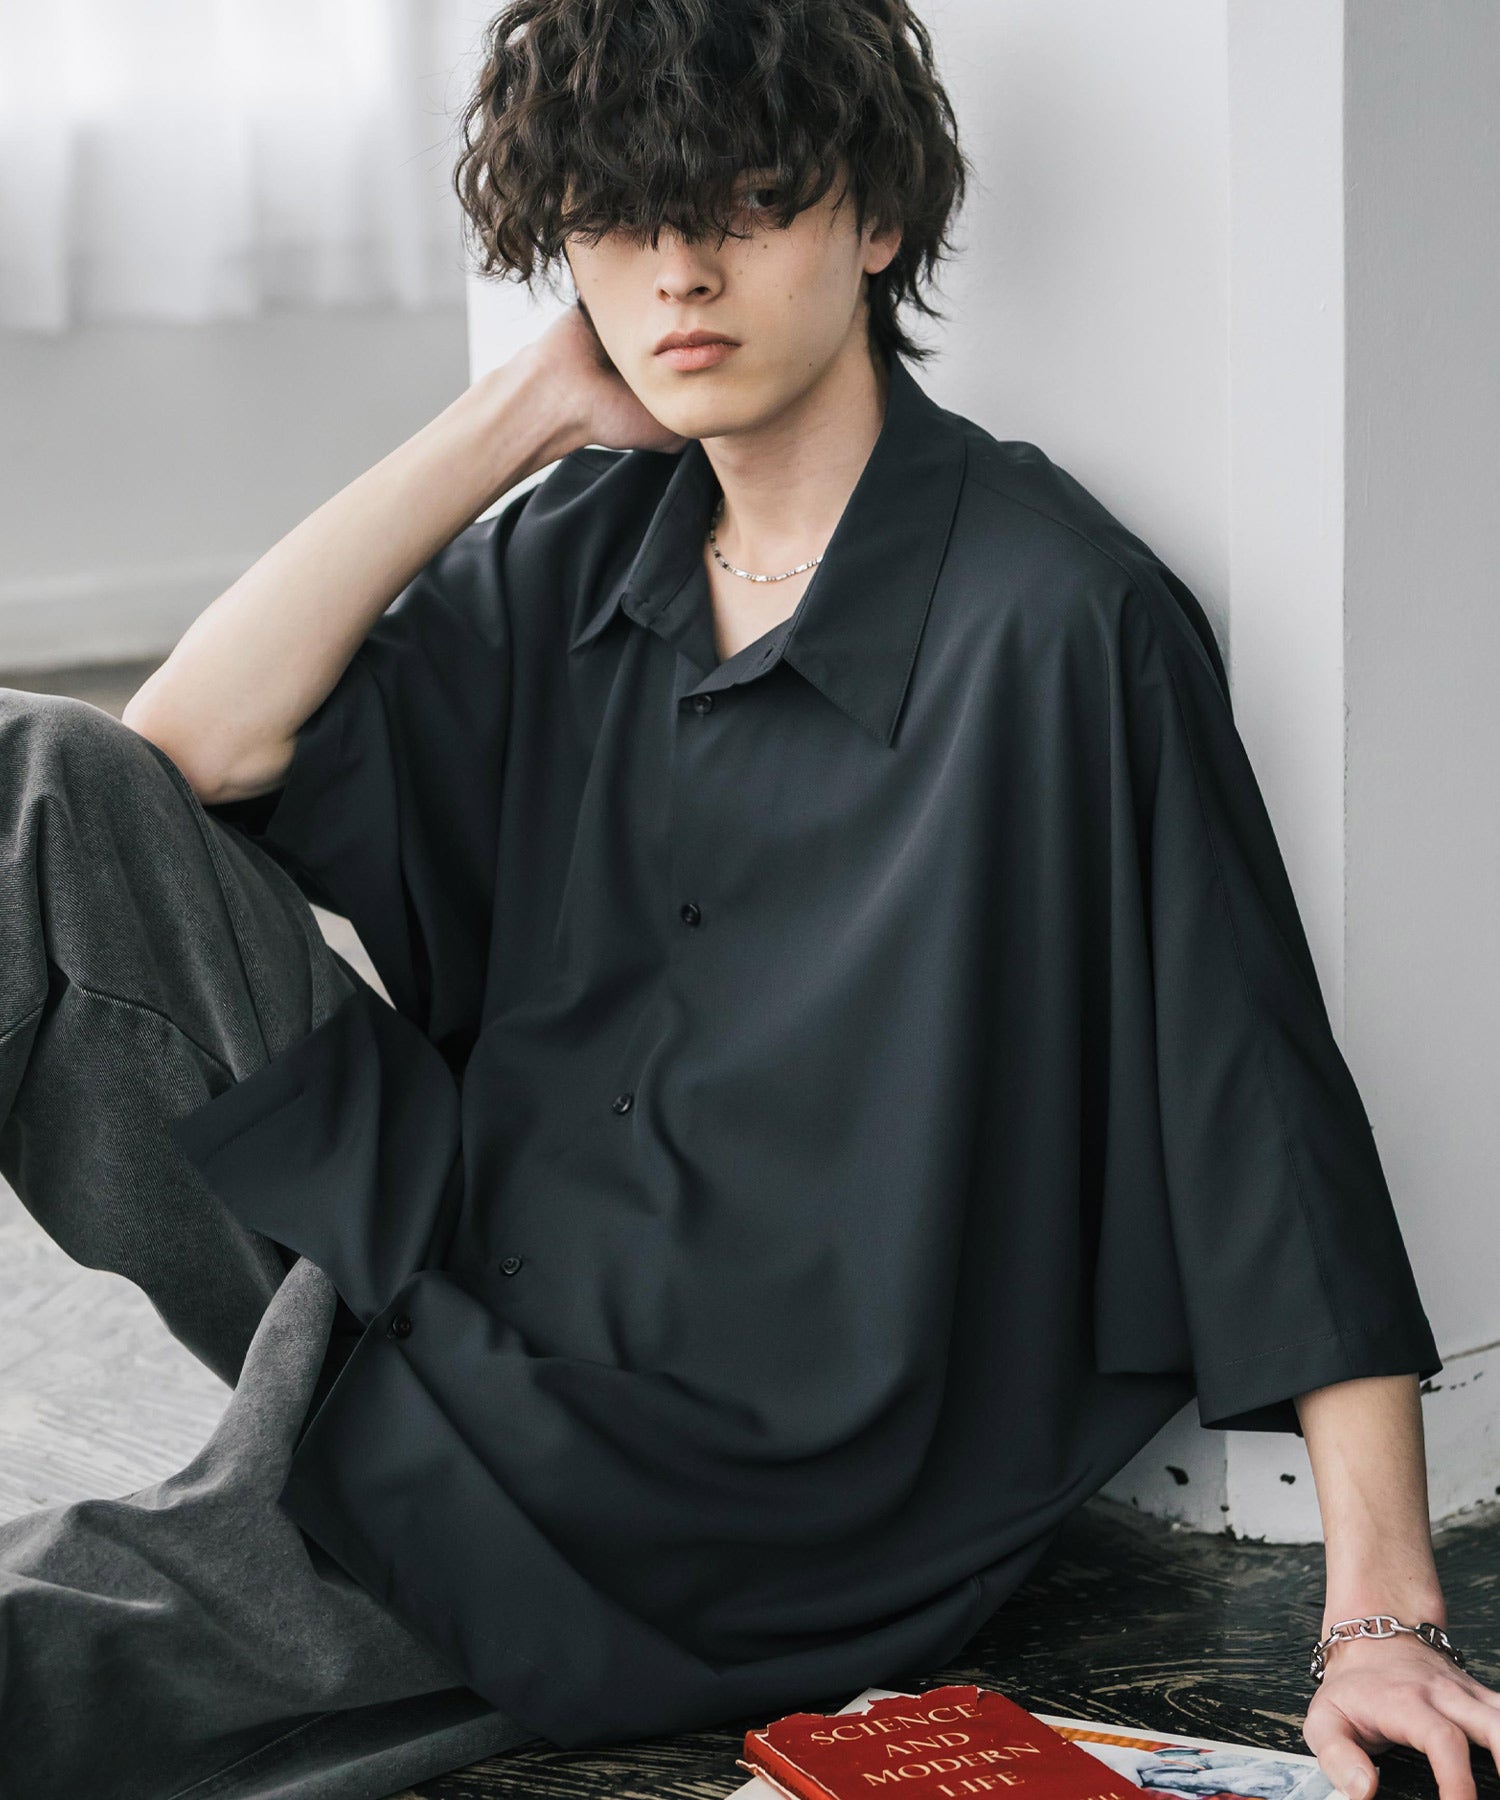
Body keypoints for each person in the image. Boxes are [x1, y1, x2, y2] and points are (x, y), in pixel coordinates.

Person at [0, 2, 1488, 1797]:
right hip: (449, 1251)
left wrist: (1382, 1615)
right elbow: (183, 752)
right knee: (31, 784)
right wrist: (524, 408)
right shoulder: (580, 545)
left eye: (752, 202)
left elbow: (1257, 1108)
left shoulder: (1057, 622)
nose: (681, 271)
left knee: (47, 1654)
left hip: (683, 1476)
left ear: (877, 220)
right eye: (620, 219)